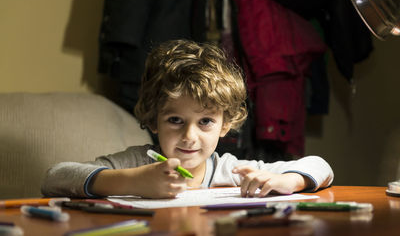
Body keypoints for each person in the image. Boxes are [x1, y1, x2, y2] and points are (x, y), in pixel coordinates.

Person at [41, 39, 333, 199]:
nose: (189, 136)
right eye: (175, 120)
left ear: (225, 123)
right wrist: (133, 183)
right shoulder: (137, 163)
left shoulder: (231, 171)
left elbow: (321, 166)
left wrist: (289, 180)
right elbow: (55, 176)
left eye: (205, 121)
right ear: (154, 120)